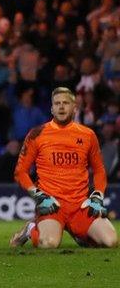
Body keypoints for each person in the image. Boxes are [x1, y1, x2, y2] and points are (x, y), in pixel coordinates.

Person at [9, 87, 117, 249]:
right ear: (52, 108)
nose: (61, 107)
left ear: (74, 108)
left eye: (65, 103)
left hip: (80, 206)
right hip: (51, 205)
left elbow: (100, 170)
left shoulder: (88, 135)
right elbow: (20, 172)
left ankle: (80, 235)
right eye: (57, 103)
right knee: (49, 244)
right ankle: (31, 229)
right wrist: (38, 196)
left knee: (111, 242)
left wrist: (98, 195)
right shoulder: (37, 134)